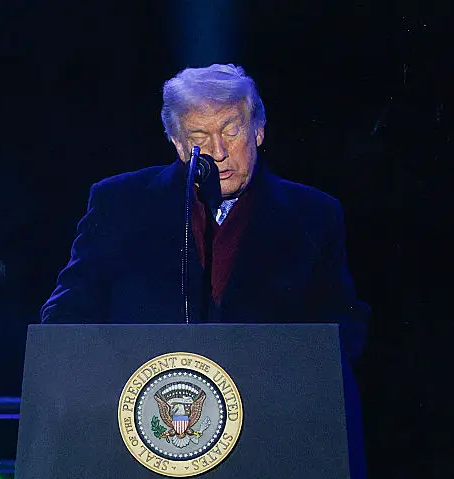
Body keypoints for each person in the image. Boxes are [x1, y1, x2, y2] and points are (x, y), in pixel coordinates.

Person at [40, 64, 369, 360]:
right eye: (200, 137)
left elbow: (341, 327)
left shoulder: (314, 215)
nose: (219, 152)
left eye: (231, 131)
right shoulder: (119, 203)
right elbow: (66, 314)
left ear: (258, 130)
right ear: (179, 145)